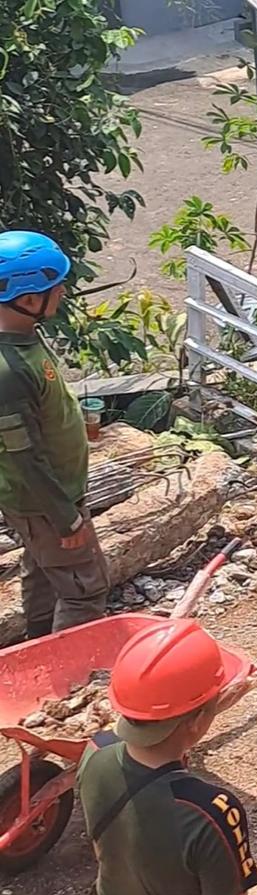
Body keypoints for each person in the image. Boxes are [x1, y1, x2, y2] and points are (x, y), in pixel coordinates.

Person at [78, 619, 257, 895]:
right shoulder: (210, 813)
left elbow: (106, 854)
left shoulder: (95, 753)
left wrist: (202, 712)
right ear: (196, 722)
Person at [0, 231, 110, 640]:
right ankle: (73, 679)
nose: (62, 291)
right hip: (46, 501)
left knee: (44, 574)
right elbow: (22, 456)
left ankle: (40, 646)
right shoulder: (8, 371)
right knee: (85, 589)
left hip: (44, 498)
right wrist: (66, 518)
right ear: (27, 300)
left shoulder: (22, 339)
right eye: (54, 287)